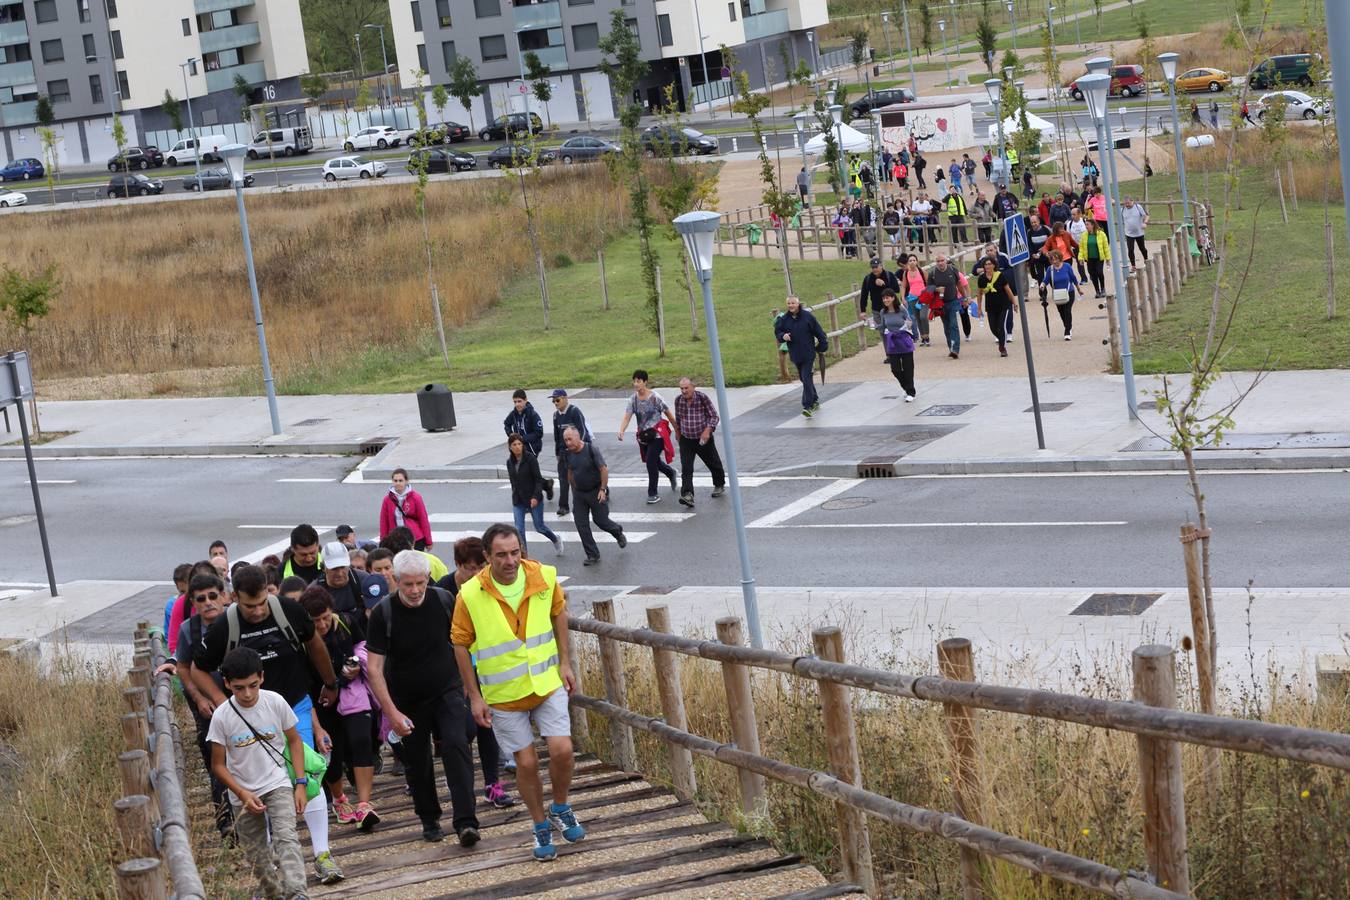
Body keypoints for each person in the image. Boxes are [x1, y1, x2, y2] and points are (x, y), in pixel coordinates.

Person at [192, 564, 344, 885]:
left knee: (307, 776)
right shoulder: (224, 626)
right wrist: (222, 703)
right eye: (250, 606)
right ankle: (276, 862)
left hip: (293, 705)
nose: (258, 610)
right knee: (264, 783)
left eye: (262, 602)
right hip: (249, 717)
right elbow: (197, 668)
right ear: (235, 598)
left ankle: (322, 854)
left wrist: (330, 683)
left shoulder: (289, 611)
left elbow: (314, 643)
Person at [453, 523, 585, 863]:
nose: (510, 561)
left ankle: (560, 807)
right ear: (487, 556)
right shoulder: (469, 594)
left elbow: (559, 612)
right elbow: (460, 644)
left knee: (562, 750)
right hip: (504, 693)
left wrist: (565, 662)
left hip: (546, 681)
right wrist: (475, 696)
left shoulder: (543, 576)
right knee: (525, 763)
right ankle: (540, 825)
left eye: (515, 552)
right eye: (501, 555)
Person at [366, 550, 481, 846]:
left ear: (428, 578)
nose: (415, 590)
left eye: (421, 583)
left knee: (457, 744)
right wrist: (391, 713)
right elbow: (374, 669)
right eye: (408, 584)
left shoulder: (444, 600)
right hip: (407, 698)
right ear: (396, 580)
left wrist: (471, 688)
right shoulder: (383, 613)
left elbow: (461, 644)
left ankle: (466, 821)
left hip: (447, 689)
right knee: (418, 760)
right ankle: (429, 818)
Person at [208, 647, 309, 900]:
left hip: (277, 782)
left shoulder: (275, 702)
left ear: (262, 677)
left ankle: (298, 892)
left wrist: (300, 783)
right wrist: (241, 792)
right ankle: (274, 894)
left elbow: (294, 740)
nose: (247, 694)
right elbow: (218, 764)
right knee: (256, 854)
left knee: (286, 837)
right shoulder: (221, 717)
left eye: (253, 685)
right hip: (241, 791)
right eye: (239, 688)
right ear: (227, 683)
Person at [156, 572, 233, 841]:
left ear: (224, 596)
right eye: (201, 599)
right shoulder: (189, 629)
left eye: (213, 596)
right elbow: (184, 668)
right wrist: (199, 698)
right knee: (217, 757)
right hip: (209, 705)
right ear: (193, 603)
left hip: (241, 697)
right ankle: (226, 821)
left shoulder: (235, 619)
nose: (208, 602)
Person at [441, 537, 518, 808]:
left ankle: (492, 784)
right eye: (469, 568)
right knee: (464, 729)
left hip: (485, 665)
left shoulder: (490, 586)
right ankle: (459, 779)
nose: (475, 574)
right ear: (457, 565)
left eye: (480, 567)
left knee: (487, 723)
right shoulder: (443, 590)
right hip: (453, 668)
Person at [300, 585, 381, 832]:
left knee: (361, 740)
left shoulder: (346, 622)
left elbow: (362, 646)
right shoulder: (301, 638)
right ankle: (339, 799)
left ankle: (364, 803)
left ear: (332, 611)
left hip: (352, 693)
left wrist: (355, 665)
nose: (322, 625)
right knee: (331, 753)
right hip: (322, 700)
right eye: (315, 621)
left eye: (325, 618)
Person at [560, 426, 627, 565]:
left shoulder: (591, 450)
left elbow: (603, 469)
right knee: (581, 524)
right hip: (579, 494)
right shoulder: (567, 454)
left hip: (596, 491)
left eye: (570, 439)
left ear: (578, 437)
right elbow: (570, 472)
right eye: (565, 440)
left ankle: (617, 531)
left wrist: (603, 489)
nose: (568, 443)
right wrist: (574, 490)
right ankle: (592, 555)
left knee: (601, 521)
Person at [617, 370, 679, 505]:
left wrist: (677, 430)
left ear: (645, 382)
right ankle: (671, 473)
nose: (636, 384)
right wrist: (621, 430)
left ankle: (653, 494)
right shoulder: (633, 400)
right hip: (644, 435)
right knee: (654, 461)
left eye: (639, 381)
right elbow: (627, 417)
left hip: (657, 434)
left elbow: (668, 414)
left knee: (651, 461)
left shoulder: (655, 397)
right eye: (634, 381)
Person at [506, 433, 564, 557]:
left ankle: (555, 539)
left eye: (519, 444)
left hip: (534, 498)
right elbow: (513, 482)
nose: (517, 447)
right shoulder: (509, 462)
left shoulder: (530, 459)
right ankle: (525, 557)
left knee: (540, 527)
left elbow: (538, 480)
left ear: (523, 445)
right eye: (514, 444)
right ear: (510, 447)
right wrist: (515, 496)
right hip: (518, 501)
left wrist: (536, 497)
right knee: (519, 529)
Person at [673, 377, 727, 507]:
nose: (684, 391)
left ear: (693, 387)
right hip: (686, 439)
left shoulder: (702, 398)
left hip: (703, 438)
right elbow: (678, 418)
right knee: (686, 468)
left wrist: (707, 430)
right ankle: (687, 494)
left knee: (713, 462)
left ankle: (719, 484)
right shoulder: (678, 400)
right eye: (681, 388)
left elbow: (714, 416)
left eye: (686, 388)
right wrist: (678, 432)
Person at [775, 295, 829, 416]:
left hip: (808, 354)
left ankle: (807, 406)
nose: (791, 305)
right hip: (795, 354)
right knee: (804, 379)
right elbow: (778, 332)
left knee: (806, 378)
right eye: (789, 303)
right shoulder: (784, 319)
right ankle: (814, 399)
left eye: (793, 303)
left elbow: (819, 332)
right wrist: (783, 336)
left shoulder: (808, 317)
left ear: (798, 304)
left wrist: (822, 347)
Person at [549, 389, 587, 517]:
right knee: (563, 479)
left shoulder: (574, 411)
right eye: (553, 401)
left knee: (583, 477)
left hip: (576, 450)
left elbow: (582, 430)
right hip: (563, 452)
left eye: (557, 400)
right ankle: (563, 506)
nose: (555, 403)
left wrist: (580, 448)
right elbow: (557, 435)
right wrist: (557, 452)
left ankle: (602, 490)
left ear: (565, 398)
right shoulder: (556, 415)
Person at [379, 468, 433, 551]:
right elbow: (384, 522)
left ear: (406, 481)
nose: (398, 483)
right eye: (395, 481)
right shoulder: (387, 499)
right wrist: (383, 541)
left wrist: (428, 541)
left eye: (401, 480)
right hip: (395, 540)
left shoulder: (416, 497)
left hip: (415, 539)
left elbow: (423, 519)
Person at [878, 289, 917, 401]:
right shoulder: (883, 312)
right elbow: (883, 326)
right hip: (892, 343)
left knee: (908, 367)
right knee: (895, 369)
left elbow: (910, 321)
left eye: (887, 297)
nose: (885, 300)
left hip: (904, 341)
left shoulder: (901, 309)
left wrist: (907, 328)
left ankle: (911, 392)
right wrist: (874, 325)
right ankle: (906, 387)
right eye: (884, 298)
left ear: (893, 298)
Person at [313, 541, 368, 616]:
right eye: (334, 569)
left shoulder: (364, 580)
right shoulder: (314, 591)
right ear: (323, 568)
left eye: (343, 567)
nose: (340, 573)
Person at [927, 254, 966, 359]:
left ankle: (955, 350)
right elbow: (928, 289)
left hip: (953, 301)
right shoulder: (932, 274)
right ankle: (951, 347)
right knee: (947, 327)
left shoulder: (953, 270)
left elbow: (959, 284)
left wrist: (965, 297)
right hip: (941, 304)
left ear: (946, 260)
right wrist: (937, 289)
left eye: (942, 260)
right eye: (938, 261)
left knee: (954, 325)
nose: (940, 263)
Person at [977, 258, 1017, 357]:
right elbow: (979, 294)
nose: (987, 266)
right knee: (993, 328)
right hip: (990, 307)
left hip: (1003, 305)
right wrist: (979, 308)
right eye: (985, 264)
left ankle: (1002, 348)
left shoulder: (1000, 276)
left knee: (1001, 326)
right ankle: (1002, 339)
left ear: (994, 265)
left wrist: (1014, 303)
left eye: (989, 264)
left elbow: (1008, 290)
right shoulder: (981, 278)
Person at [1042, 249, 1082, 340]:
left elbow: (1073, 278)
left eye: (1056, 259)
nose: (1055, 261)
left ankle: (1067, 332)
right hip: (1058, 294)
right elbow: (1046, 280)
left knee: (1067, 310)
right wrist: (1042, 285)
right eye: (1052, 259)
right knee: (1061, 312)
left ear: (1060, 258)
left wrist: (1079, 289)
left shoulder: (1067, 266)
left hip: (1069, 292)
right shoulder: (1050, 269)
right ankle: (1068, 326)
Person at [899, 255, 932, 348]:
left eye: (914, 260)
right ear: (908, 263)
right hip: (912, 298)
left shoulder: (922, 272)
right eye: (910, 260)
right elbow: (903, 286)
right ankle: (923, 337)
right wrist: (903, 297)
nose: (912, 262)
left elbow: (930, 284)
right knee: (917, 318)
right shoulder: (906, 273)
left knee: (923, 317)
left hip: (923, 298)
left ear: (917, 262)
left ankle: (927, 336)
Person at [503, 389, 546, 458]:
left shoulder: (533, 414)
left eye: (519, 401)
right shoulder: (513, 414)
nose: (517, 404)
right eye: (515, 402)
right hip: (518, 448)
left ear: (525, 400)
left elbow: (539, 433)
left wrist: (522, 438)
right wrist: (511, 435)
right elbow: (506, 423)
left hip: (532, 448)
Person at [859, 256, 900, 325]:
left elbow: (897, 290)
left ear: (881, 266)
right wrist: (863, 311)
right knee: (881, 329)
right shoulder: (868, 279)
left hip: (891, 308)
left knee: (892, 328)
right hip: (876, 310)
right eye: (873, 267)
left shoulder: (889, 275)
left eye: (876, 267)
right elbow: (864, 295)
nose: (875, 269)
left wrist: (884, 284)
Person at [1078, 216, 1111, 299]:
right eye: (1085, 224)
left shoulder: (1101, 234)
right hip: (1089, 259)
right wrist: (1080, 258)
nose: (1086, 226)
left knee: (1099, 272)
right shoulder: (1084, 235)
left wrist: (1108, 259)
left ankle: (1103, 289)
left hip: (1099, 258)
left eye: (1087, 224)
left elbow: (1106, 247)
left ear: (1092, 225)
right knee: (1093, 275)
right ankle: (1097, 291)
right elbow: (1081, 248)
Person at [1026, 214, 1052, 301]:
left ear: (1039, 221)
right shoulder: (1029, 232)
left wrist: (1046, 249)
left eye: (1035, 222)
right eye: (1032, 222)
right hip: (1037, 258)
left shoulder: (1046, 229)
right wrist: (1032, 254)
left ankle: (1056, 291)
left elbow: (1051, 240)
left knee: (1051, 275)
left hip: (1047, 256)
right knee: (1040, 277)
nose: (1033, 224)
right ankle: (1043, 294)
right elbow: (1029, 245)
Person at [1120, 197, 1149, 270]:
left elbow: (1147, 216)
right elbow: (1121, 220)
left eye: (1128, 203)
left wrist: (1145, 223)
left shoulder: (1138, 207)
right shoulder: (1122, 210)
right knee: (1130, 249)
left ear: (1132, 201)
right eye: (1125, 203)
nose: (1127, 205)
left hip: (1139, 233)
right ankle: (1133, 266)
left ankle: (1146, 260)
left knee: (1142, 248)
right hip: (1129, 233)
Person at [1067, 207, 1089, 282]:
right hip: (1076, 246)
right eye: (1071, 214)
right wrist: (1070, 247)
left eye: (1074, 214)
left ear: (1079, 214)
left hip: (1086, 245)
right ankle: (1083, 278)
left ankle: (1092, 275)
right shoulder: (1069, 224)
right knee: (1079, 262)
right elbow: (1068, 236)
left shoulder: (1084, 221)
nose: (1072, 216)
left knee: (1089, 261)